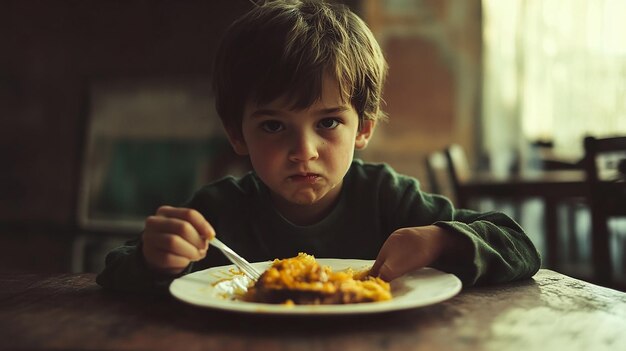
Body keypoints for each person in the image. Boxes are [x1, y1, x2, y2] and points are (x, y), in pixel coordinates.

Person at [96, 0, 540, 293]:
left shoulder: (389, 198)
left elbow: (520, 244)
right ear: (237, 134)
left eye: (328, 122)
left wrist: (441, 240)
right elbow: (113, 275)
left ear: (363, 129)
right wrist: (158, 262)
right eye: (273, 126)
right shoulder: (219, 213)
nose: (303, 149)